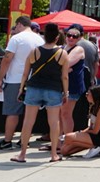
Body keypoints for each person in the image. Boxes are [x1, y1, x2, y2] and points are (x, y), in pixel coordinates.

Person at [13, 22, 70, 163]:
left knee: (28, 122)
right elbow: (64, 76)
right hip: (53, 89)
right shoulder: (62, 53)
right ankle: (53, 154)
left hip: (34, 88)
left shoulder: (34, 51)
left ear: (44, 36)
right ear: (57, 37)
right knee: (54, 122)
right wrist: (66, 92)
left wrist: (21, 89)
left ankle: (22, 154)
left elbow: (25, 73)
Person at [0, 15, 43, 150]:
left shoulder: (16, 39)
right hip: (33, 80)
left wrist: (0, 78)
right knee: (29, 113)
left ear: (20, 24)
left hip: (15, 79)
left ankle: (7, 140)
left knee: (12, 112)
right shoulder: (39, 39)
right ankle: (24, 140)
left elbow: (7, 59)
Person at [59, 85, 100, 159]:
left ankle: (96, 146)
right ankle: (92, 146)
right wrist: (80, 133)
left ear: (94, 96)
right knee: (64, 150)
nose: (86, 96)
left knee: (68, 137)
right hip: (94, 135)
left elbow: (95, 131)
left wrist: (79, 134)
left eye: (88, 94)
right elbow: (90, 127)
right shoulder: (93, 107)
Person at [61, 26, 87, 135]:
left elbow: (65, 64)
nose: (71, 38)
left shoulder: (78, 49)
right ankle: (58, 140)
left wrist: (64, 68)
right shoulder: (62, 48)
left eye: (74, 36)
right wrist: (64, 69)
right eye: (69, 35)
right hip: (61, 85)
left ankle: (67, 140)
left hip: (72, 87)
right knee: (59, 114)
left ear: (79, 38)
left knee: (66, 114)